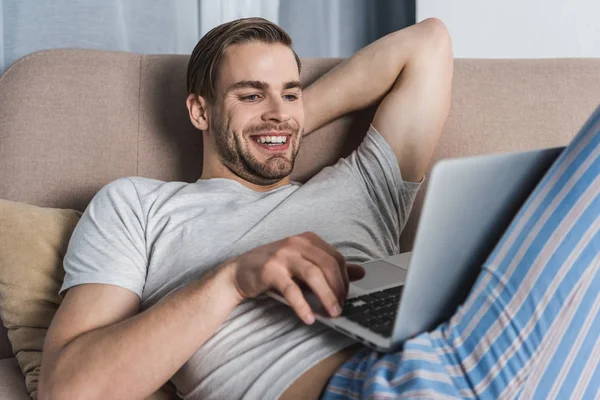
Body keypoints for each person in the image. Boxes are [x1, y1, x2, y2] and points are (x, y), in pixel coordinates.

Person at [36, 16, 599, 400]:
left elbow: (428, 43)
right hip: (387, 385)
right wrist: (234, 278)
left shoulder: (360, 184)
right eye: (250, 93)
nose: (277, 108)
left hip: (499, 357)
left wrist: (281, 124)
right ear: (199, 111)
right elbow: (69, 387)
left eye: (292, 90)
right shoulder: (138, 204)